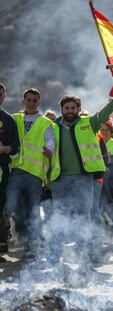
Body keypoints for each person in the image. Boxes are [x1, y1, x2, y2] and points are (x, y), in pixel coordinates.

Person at [48, 88, 113, 268]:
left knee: (83, 216)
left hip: (83, 179)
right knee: (60, 216)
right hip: (60, 179)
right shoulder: (52, 126)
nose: (70, 110)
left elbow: (104, 115)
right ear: (62, 109)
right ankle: (55, 256)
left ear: (78, 109)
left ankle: (84, 254)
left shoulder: (89, 123)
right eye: (67, 108)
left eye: (73, 107)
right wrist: (47, 177)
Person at [5, 88, 55, 259]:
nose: (32, 103)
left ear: (39, 102)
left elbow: (50, 139)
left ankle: (33, 246)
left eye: (35, 100)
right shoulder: (14, 118)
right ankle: (24, 239)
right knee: (11, 207)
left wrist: (49, 149)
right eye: (29, 99)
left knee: (32, 212)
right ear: (23, 101)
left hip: (34, 175)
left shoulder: (45, 123)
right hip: (16, 171)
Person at [0, 83, 20, 257]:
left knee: (1, 208)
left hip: (2, 169)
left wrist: (7, 149)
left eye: (0, 94)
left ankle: (2, 246)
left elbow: (16, 146)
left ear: (3, 97)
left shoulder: (8, 119)